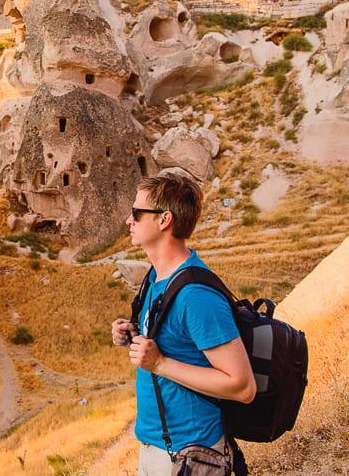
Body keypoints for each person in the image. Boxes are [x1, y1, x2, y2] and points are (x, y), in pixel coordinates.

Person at [111, 175, 255, 475]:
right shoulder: (156, 278)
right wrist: (131, 335)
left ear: (164, 219)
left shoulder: (195, 295)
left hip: (192, 453)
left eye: (137, 213)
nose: (129, 220)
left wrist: (160, 363)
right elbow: (176, 341)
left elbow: (242, 386)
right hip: (155, 446)